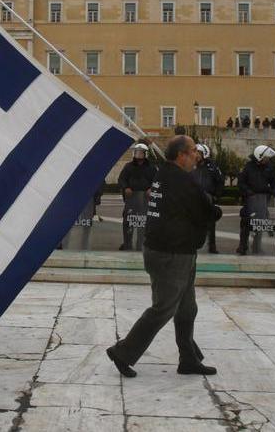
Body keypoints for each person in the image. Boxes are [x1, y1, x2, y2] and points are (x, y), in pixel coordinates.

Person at [106, 136, 221, 378]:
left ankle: (188, 359)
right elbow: (205, 211)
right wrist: (215, 209)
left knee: (187, 308)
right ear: (181, 155)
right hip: (171, 253)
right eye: (192, 152)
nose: (197, 156)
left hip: (179, 251)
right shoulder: (179, 180)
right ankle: (123, 352)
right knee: (163, 308)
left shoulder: (164, 174)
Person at [236, 145, 275, 255]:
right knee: (246, 223)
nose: (267, 159)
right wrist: (248, 192)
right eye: (266, 157)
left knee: (260, 224)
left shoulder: (269, 167)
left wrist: (274, 190)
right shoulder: (248, 167)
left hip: (263, 200)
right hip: (250, 200)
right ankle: (243, 246)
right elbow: (241, 183)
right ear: (259, 156)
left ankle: (256, 246)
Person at [117, 143, 157, 251]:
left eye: (140, 152)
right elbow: (121, 179)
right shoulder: (128, 166)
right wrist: (126, 188)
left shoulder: (152, 168)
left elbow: (157, 181)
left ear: (146, 154)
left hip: (145, 200)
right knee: (128, 223)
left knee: (142, 225)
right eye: (136, 152)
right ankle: (127, 244)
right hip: (131, 200)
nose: (138, 154)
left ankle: (141, 245)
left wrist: (151, 189)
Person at [191, 144, 224, 253]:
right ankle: (191, 244)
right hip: (194, 199)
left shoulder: (212, 167)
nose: (196, 155)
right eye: (195, 153)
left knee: (210, 223)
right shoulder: (191, 166)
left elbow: (220, 181)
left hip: (208, 198)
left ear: (204, 154)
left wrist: (216, 196)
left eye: (198, 153)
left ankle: (212, 246)